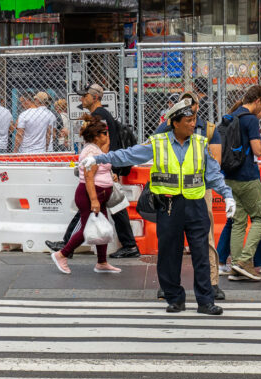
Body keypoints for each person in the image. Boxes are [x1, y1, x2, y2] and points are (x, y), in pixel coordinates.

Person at [81, 100, 237, 316]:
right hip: (169, 206)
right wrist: (98, 158)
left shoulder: (200, 144)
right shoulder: (158, 142)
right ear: (175, 123)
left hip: (196, 206)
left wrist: (227, 196)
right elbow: (128, 154)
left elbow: (213, 175)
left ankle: (205, 301)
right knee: (168, 254)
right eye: (189, 120)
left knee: (201, 254)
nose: (194, 124)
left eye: (194, 120)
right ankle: (174, 298)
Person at [45, 84, 141, 259]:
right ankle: (128, 245)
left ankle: (68, 244)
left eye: (85, 96)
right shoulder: (101, 115)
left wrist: (104, 166)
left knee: (93, 204)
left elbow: (105, 142)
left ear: (95, 97)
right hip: (104, 166)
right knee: (109, 206)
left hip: (101, 167)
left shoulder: (99, 116)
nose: (82, 99)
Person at [155, 91, 227, 299]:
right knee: (170, 241)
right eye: (183, 103)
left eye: (191, 102)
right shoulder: (167, 126)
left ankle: (212, 283)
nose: (188, 106)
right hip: (172, 193)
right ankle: (167, 285)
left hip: (198, 190)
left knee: (206, 237)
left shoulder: (208, 129)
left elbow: (216, 161)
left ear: (198, 105)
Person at [51, 115, 121, 274]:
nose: (107, 136)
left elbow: (100, 169)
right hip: (90, 195)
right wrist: (94, 200)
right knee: (86, 229)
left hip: (98, 194)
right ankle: (62, 254)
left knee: (102, 229)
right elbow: (89, 177)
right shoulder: (91, 152)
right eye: (104, 133)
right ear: (97, 136)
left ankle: (102, 262)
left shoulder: (96, 150)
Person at [224, 85, 261, 281]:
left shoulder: (231, 116)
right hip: (247, 176)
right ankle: (244, 261)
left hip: (229, 176)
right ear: (258, 101)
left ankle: (236, 264)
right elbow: (258, 151)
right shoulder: (251, 120)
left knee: (238, 221)